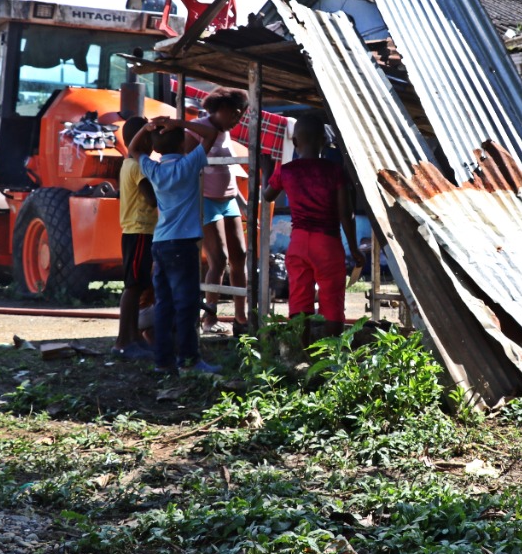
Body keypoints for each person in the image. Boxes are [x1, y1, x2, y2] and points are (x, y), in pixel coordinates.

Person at [128, 115, 226, 376]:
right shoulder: (189, 164)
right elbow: (210, 134)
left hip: (160, 244)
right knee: (186, 305)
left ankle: (163, 362)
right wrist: (180, 122)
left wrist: (147, 129)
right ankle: (190, 360)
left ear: (156, 147)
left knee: (164, 305)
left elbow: (133, 149)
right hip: (184, 245)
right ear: (183, 143)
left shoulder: (154, 168)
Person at [261, 114, 364, 342]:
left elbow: (267, 196)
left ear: (295, 142)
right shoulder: (334, 171)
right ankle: (332, 355)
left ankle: (302, 353)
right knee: (332, 299)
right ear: (325, 142)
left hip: (298, 242)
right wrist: (354, 248)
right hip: (327, 243)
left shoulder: (286, 171)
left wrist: (267, 170)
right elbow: (346, 215)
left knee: (299, 299)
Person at [187, 87, 250, 335]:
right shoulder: (195, 128)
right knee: (219, 258)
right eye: (234, 114)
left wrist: (242, 202)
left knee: (241, 255)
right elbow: (186, 166)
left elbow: (230, 170)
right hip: (206, 201)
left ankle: (241, 317)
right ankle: (209, 317)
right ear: (220, 109)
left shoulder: (226, 133)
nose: (237, 120)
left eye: (240, 115)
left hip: (229, 199)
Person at [114, 116, 156, 360]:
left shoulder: (128, 163)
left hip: (138, 231)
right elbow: (151, 198)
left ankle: (133, 336)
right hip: (139, 230)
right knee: (133, 286)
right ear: (145, 139)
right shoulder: (139, 165)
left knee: (138, 284)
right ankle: (123, 340)